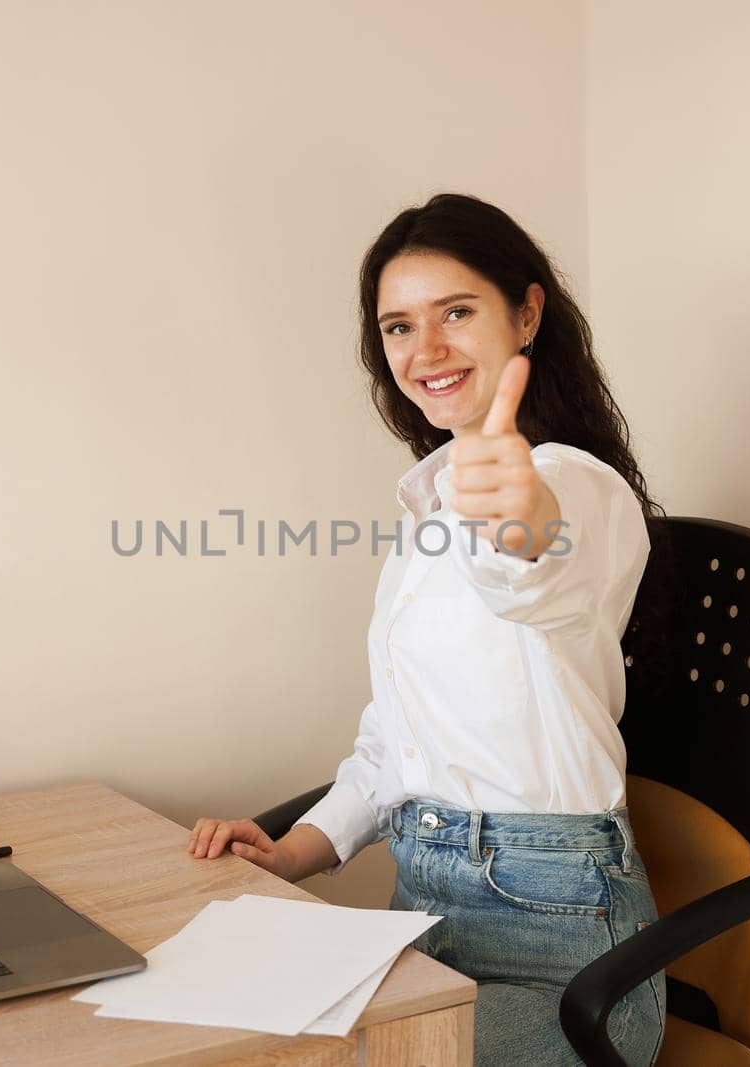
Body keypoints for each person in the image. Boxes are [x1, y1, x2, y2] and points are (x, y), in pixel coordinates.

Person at [186, 192, 666, 1066]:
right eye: (399, 327)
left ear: (526, 315)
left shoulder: (577, 488)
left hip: (572, 972)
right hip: (422, 933)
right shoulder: (430, 506)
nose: (427, 349)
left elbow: (537, 571)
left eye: (456, 312)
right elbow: (400, 739)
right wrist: (296, 850)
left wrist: (515, 518)